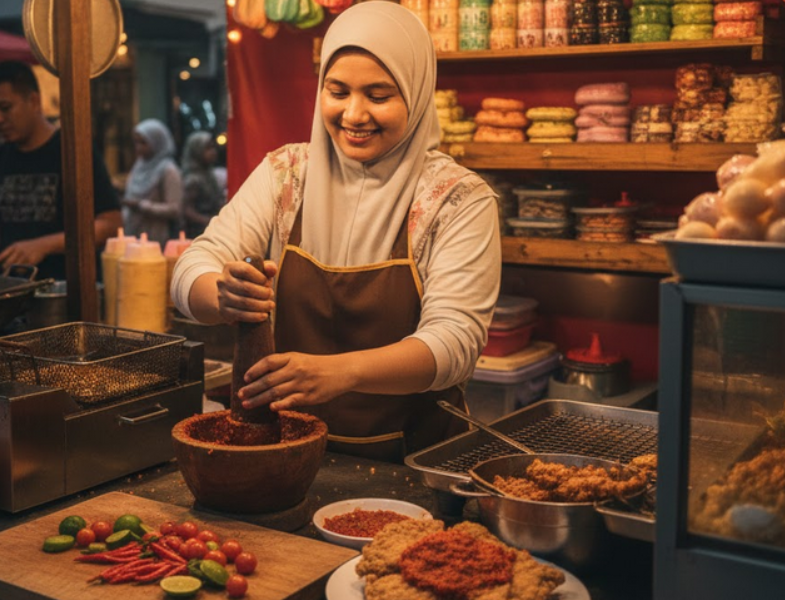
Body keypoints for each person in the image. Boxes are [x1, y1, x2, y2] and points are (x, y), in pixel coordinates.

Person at [171, 1, 501, 463]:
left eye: (379, 95)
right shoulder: (286, 175)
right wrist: (220, 295)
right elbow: (190, 269)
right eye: (338, 90)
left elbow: (454, 344)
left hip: (417, 463)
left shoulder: (457, 200)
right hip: (284, 453)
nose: (354, 114)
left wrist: (342, 372)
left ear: (418, 93)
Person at [0, 61, 122, 280]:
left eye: (5, 108)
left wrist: (43, 245)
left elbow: (110, 225)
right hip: (11, 293)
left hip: (67, 292)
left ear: (34, 101)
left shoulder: (74, 152)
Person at [121, 119, 182, 245]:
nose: (138, 148)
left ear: (157, 141)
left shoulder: (168, 170)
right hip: (133, 234)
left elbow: (175, 209)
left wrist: (141, 205)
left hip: (157, 239)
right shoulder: (139, 165)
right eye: (136, 142)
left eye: (143, 143)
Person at [179, 130, 225, 238]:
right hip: (198, 232)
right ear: (197, 151)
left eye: (213, 147)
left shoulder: (209, 174)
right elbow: (187, 210)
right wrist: (208, 221)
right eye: (208, 148)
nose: (213, 152)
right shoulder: (193, 178)